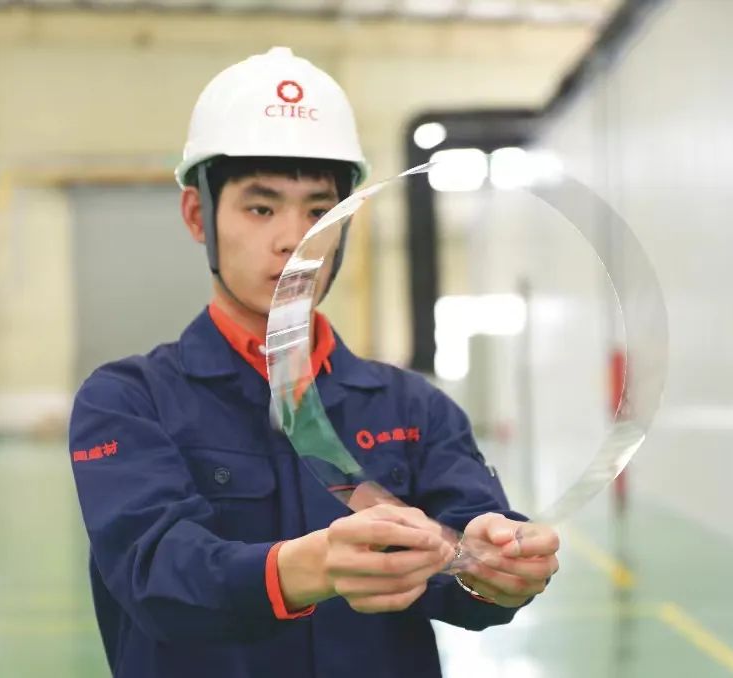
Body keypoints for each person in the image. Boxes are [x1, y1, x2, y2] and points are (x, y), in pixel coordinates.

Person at [68, 46, 560, 678]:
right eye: (261, 208)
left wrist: (497, 568)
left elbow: (466, 567)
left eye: (320, 211)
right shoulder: (129, 402)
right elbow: (155, 575)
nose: (294, 242)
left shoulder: (413, 407)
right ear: (198, 216)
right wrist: (309, 567)